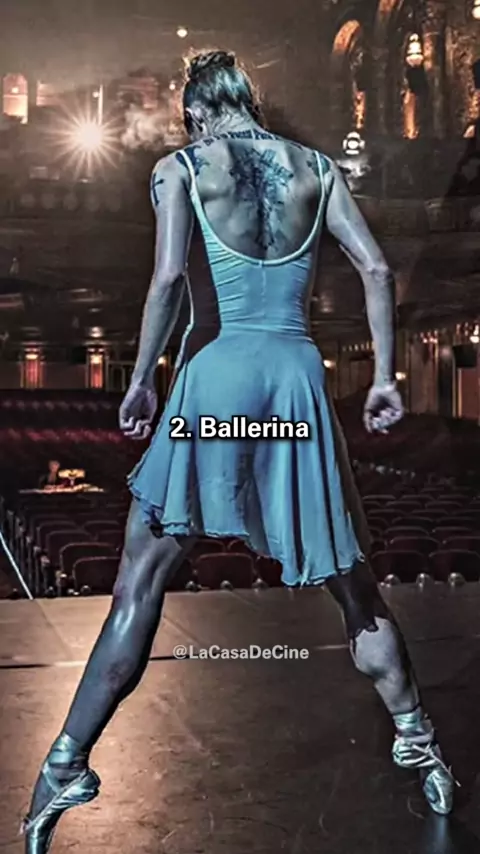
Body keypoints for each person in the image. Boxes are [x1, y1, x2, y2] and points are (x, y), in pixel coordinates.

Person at [22, 50, 456, 852]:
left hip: (217, 393)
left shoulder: (183, 167)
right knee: (354, 584)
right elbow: (374, 266)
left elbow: (167, 284)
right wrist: (383, 378)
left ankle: (65, 765)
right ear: (250, 101)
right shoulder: (317, 168)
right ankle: (421, 746)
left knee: (138, 585)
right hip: (293, 393)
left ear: (194, 111)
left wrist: (141, 382)